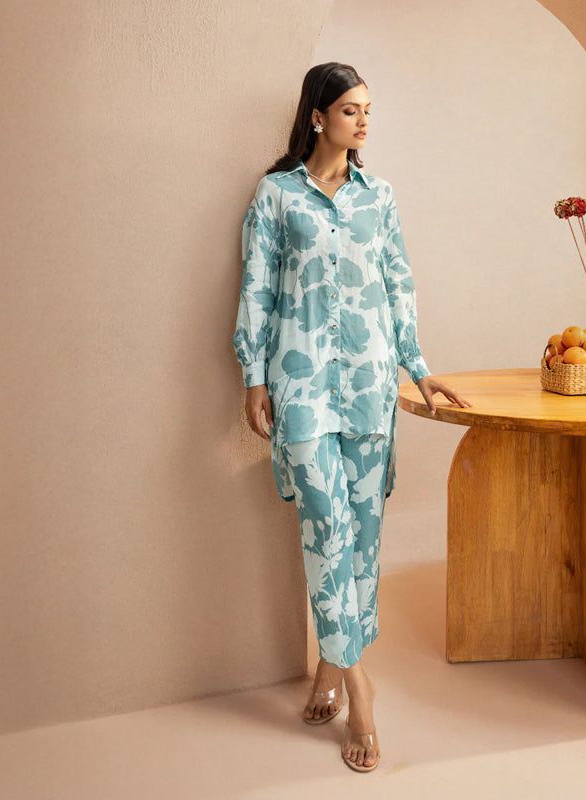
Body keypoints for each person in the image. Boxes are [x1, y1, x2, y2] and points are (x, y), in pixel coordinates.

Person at [232, 62, 470, 774]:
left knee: (362, 541)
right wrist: (253, 376)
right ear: (317, 117)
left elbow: (398, 284)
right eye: (349, 110)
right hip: (301, 386)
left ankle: (328, 668)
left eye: (367, 110)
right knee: (326, 528)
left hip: (370, 383)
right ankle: (360, 689)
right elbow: (257, 288)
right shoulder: (277, 196)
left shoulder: (380, 197)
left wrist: (418, 367)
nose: (363, 122)